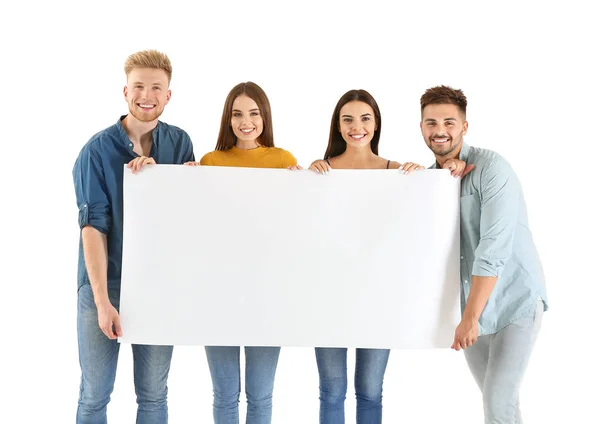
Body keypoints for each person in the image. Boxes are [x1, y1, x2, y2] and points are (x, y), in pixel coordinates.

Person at [304, 89, 468, 424]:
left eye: (365, 118)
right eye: (347, 119)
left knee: (369, 391)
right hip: (328, 299)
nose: (356, 126)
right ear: (337, 126)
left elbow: (425, 218)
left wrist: (441, 171)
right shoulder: (320, 173)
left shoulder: (400, 172)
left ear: (376, 124)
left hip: (378, 300)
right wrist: (302, 179)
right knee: (332, 391)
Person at [72, 49, 194, 424]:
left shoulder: (180, 143)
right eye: (139, 86)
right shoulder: (96, 151)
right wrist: (103, 302)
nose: (147, 94)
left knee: (154, 396)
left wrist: (177, 183)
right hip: (104, 287)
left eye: (156, 87)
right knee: (95, 395)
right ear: (125, 91)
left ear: (168, 95)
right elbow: (93, 229)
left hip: (158, 287)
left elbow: (185, 220)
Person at [419, 85, 548, 423]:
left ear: (464, 126)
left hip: (513, 300)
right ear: (421, 128)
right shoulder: (431, 181)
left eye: (449, 121)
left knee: (497, 403)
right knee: (503, 405)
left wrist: (470, 318)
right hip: (470, 307)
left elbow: (493, 248)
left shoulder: (492, 169)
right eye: (431, 123)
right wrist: (443, 183)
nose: (440, 131)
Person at [185, 81, 296, 424]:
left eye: (253, 113)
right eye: (237, 114)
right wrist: (185, 185)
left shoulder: (283, 161)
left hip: (267, 291)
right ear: (227, 119)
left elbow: (295, 228)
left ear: (265, 117)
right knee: (224, 396)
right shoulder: (211, 161)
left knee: (260, 396)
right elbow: (198, 225)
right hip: (219, 290)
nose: (245, 121)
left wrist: (303, 187)